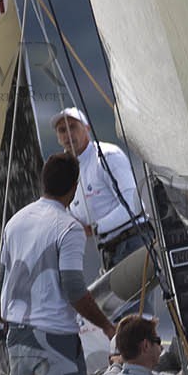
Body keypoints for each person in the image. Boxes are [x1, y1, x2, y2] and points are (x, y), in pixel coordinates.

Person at [0, 153, 116, 375]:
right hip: (54, 340)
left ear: (43, 182)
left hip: (16, 336)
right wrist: (108, 326)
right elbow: (73, 288)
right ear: (74, 188)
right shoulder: (69, 228)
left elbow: (2, 276)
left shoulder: (15, 221)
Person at [51, 107, 150, 271]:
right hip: (107, 250)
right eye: (62, 130)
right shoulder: (64, 172)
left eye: (73, 127)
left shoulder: (108, 156)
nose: (68, 134)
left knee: (137, 296)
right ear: (58, 138)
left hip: (132, 241)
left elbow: (134, 205)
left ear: (87, 128)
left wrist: (95, 228)